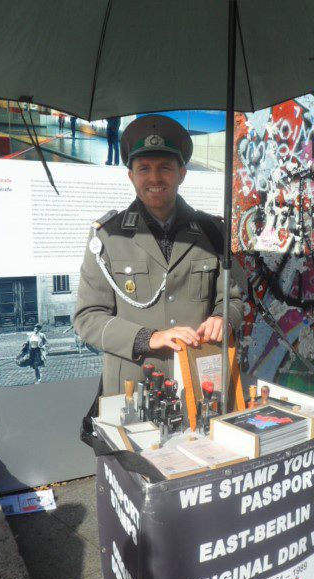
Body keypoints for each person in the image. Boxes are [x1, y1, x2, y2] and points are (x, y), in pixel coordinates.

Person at [74, 114, 243, 396]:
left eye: (165, 167)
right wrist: (147, 338)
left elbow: (233, 298)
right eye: (144, 169)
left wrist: (223, 317)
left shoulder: (212, 233)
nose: (154, 178)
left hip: (200, 384)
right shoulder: (107, 237)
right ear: (131, 176)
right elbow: (87, 318)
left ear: (181, 173)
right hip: (133, 386)